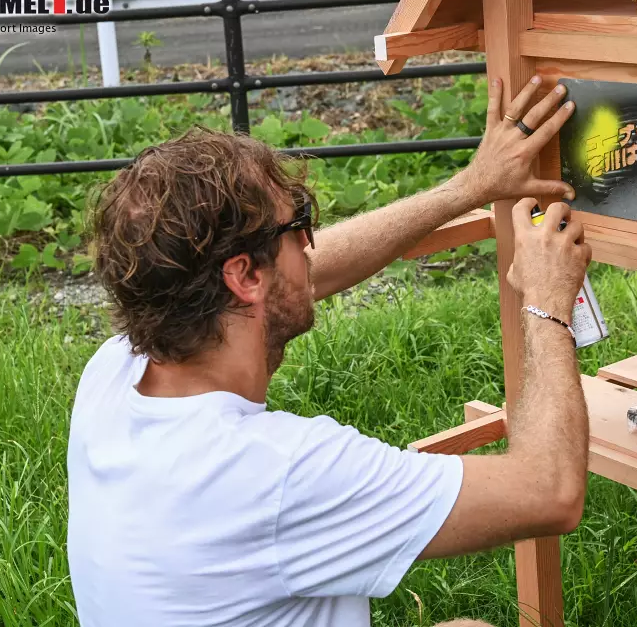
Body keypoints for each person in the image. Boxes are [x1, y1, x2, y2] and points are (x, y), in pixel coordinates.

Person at [67, 76, 593, 627]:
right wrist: (547, 300)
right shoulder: (277, 472)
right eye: (298, 226)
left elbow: (297, 276)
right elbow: (549, 491)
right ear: (244, 276)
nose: (312, 242)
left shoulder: (115, 372)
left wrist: (468, 187)